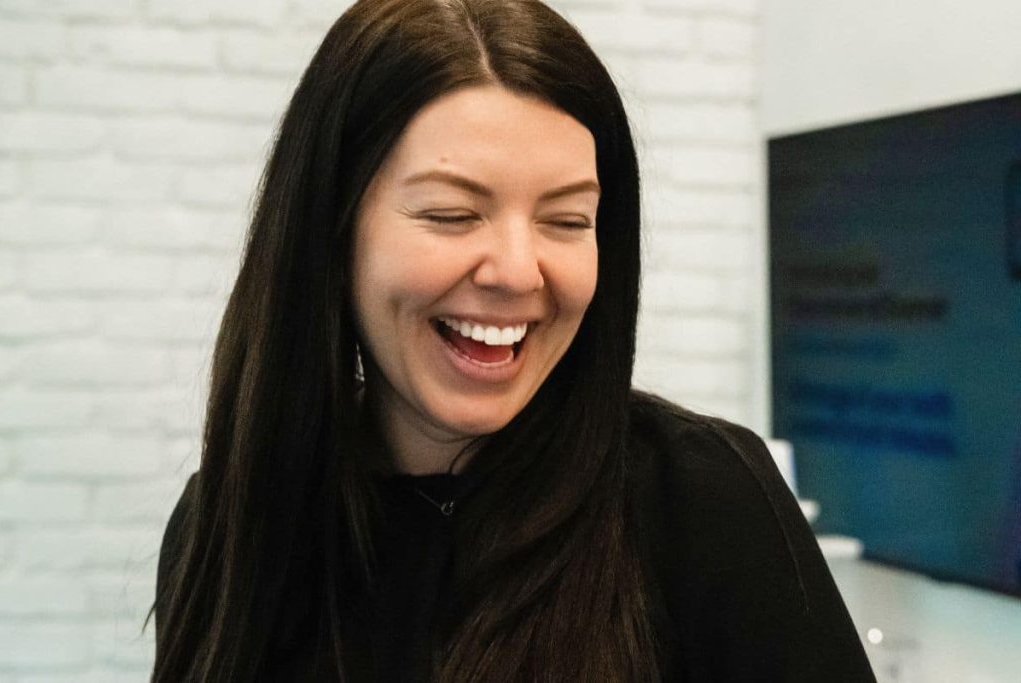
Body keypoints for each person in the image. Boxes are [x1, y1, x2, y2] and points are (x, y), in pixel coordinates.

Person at [147, 0, 877, 681]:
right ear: (331, 232)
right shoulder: (231, 523)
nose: (519, 272)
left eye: (566, 221)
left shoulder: (702, 499)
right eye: (452, 214)